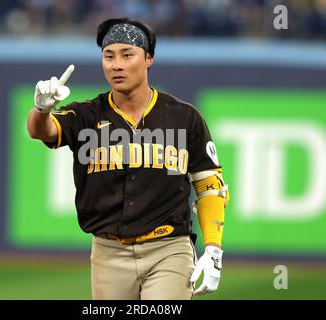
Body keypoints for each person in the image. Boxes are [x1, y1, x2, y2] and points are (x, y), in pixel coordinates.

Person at [27, 17, 229, 300]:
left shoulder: (184, 118)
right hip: (109, 252)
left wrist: (213, 249)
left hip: (169, 248)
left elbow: (210, 185)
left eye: (127, 55)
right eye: (108, 56)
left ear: (148, 59)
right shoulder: (87, 115)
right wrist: (41, 109)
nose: (116, 65)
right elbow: (41, 130)